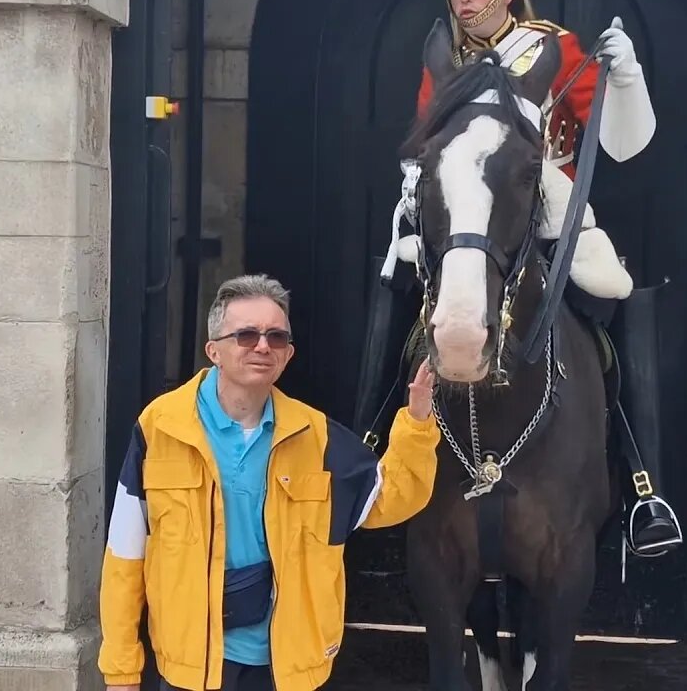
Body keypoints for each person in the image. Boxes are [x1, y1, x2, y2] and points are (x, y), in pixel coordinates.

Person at [356, 0, 683, 559]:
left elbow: (623, 145)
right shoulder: (446, 59)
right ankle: (370, 438)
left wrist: (626, 78)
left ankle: (644, 484)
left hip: (542, 197)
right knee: (397, 281)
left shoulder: (551, 47)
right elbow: (426, 138)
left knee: (612, 290)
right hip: (461, 202)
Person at [99, 274, 441, 691]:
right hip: (190, 666)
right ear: (213, 351)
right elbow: (125, 557)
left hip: (288, 669)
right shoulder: (160, 428)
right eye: (246, 335)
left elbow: (394, 498)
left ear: (288, 354)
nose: (263, 346)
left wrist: (417, 422)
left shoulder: (317, 436)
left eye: (276, 337)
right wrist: (121, 671)